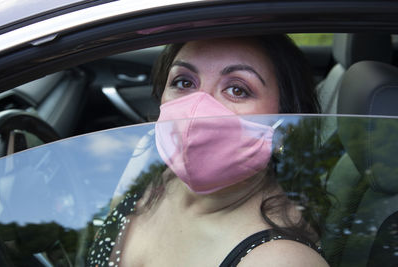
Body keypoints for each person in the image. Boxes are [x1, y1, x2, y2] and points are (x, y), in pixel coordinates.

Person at [87, 35, 329, 266]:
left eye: (237, 89)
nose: (197, 110)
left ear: (285, 126)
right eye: (184, 82)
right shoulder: (145, 160)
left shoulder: (281, 261)